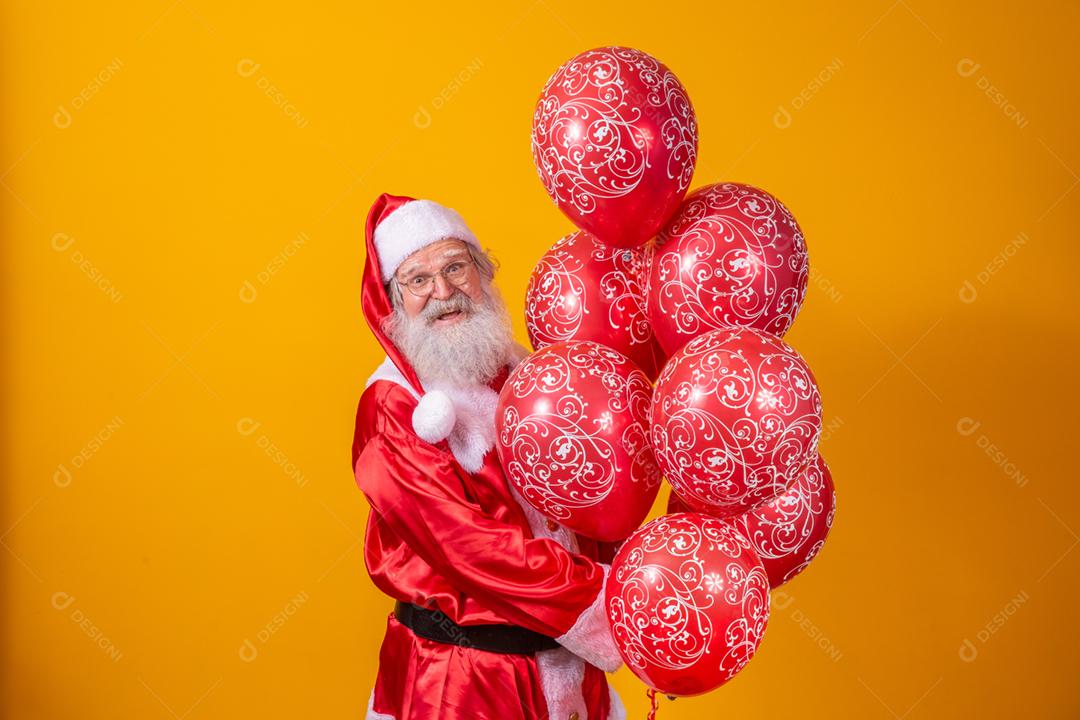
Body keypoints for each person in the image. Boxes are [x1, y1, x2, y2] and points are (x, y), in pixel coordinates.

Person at [351, 193, 626, 720]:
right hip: (464, 682)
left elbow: (584, 498)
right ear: (393, 300)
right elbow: (466, 545)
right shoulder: (391, 405)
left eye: (457, 267)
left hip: (570, 668)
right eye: (418, 280)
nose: (444, 292)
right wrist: (607, 598)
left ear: (482, 273)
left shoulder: (523, 373)